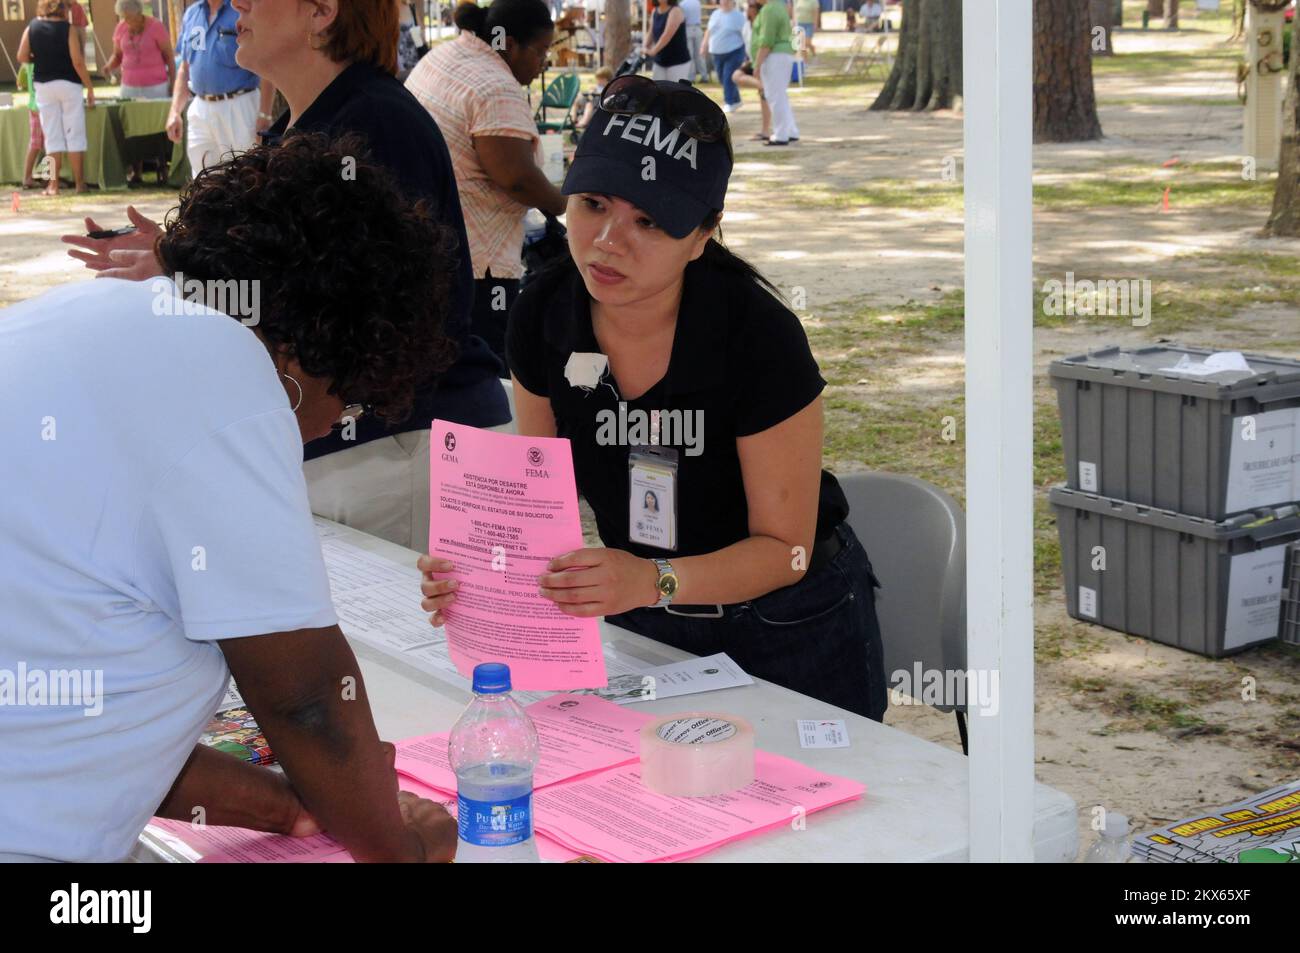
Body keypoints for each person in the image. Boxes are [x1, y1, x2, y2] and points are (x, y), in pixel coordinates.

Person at [0, 133, 458, 863]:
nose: (323, 428)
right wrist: (402, 846)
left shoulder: (78, 322)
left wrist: (288, 805)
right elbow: (307, 699)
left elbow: (90, 725)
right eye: (345, 402)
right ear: (313, 358)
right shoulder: (232, 375)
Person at [419, 78, 888, 721]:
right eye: (591, 204)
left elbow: (787, 550)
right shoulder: (545, 313)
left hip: (789, 625)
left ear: (703, 235)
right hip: (647, 623)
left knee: (822, 814)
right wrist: (480, 575)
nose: (609, 241)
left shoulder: (758, 335)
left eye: (649, 220)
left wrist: (650, 580)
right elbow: (535, 503)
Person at [64, 0, 512, 552]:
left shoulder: (373, 122)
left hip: (395, 447)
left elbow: (366, 309)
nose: (238, 6)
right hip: (347, 446)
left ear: (322, 12)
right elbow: (294, 266)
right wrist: (179, 253)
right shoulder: (306, 123)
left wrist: (187, 265)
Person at [406, 0, 567, 364]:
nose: (543, 62)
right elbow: (517, 179)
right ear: (510, 44)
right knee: (485, 375)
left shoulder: (446, 54)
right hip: (477, 264)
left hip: (427, 242)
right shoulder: (496, 87)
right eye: (540, 51)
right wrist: (565, 203)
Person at [167, 0, 277, 173]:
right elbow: (185, 68)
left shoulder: (243, 9)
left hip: (239, 104)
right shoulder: (191, 14)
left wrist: (265, 113)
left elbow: (266, 62)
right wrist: (174, 112)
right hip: (200, 107)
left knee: (246, 173)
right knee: (202, 176)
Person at [15, 0, 95, 195]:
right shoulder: (67, 29)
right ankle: (79, 184)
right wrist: (90, 87)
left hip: (43, 85)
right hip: (69, 84)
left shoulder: (32, 27)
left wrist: (39, 57)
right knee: (74, 133)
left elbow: (21, 56)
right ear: (63, 9)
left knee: (52, 137)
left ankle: (53, 185)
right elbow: (77, 61)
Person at [104, 0, 175, 100]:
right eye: (124, 17)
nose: (126, 21)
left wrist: (173, 84)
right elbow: (117, 55)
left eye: (129, 17)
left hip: (156, 87)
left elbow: (169, 57)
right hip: (128, 86)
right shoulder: (121, 27)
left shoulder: (156, 26)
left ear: (138, 13)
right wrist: (109, 66)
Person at [752, 0, 797, 146]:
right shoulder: (780, 6)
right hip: (783, 54)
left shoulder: (769, 9)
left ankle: (781, 134)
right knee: (780, 95)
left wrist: (757, 65)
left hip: (775, 56)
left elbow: (766, 40)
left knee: (774, 96)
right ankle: (790, 131)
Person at [732, 0, 771, 139]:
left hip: (763, 60)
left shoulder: (763, 21)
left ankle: (765, 130)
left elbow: (765, 43)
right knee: (736, 76)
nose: (748, 8)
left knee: (763, 97)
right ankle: (763, 87)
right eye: (748, 5)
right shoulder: (747, 24)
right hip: (752, 60)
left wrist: (759, 64)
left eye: (752, 6)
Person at [701, 0, 746, 113]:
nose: (725, 1)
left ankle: (729, 102)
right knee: (722, 78)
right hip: (717, 53)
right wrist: (704, 45)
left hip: (734, 51)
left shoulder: (739, 16)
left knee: (728, 77)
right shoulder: (715, 13)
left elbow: (745, 34)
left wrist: (747, 53)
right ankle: (737, 100)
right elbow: (708, 31)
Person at [644, 0, 691, 83]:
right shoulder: (655, 11)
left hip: (677, 62)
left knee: (675, 92)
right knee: (657, 91)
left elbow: (666, 36)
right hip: (660, 60)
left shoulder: (676, 11)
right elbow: (650, 32)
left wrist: (653, 51)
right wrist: (644, 46)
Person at [16, 62, 44, 190]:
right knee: (48, 143)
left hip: (33, 106)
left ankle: (27, 177)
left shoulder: (25, 65)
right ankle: (52, 178)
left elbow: (20, 83)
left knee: (35, 143)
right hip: (44, 106)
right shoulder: (44, 60)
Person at [679, 0, 707, 82]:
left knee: (690, 55)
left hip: (688, 29)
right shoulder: (697, 2)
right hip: (698, 28)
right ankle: (704, 76)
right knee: (699, 55)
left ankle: (691, 77)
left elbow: (683, 18)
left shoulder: (682, 4)